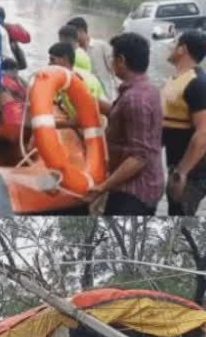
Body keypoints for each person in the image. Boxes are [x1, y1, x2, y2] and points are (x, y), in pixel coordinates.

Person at [84, 33, 164, 215]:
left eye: (113, 58)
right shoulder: (145, 89)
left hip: (135, 190)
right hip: (139, 183)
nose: (112, 62)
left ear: (121, 60)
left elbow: (138, 158)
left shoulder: (136, 99)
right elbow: (117, 113)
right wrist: (86, 99)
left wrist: (102, 187)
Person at [162, 30, 206, 215]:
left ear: (183, 49)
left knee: (180, 217)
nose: (169, 46)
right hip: (176, 167)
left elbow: (203, 133)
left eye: (174, 43)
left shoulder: (197, 83)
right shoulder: (175, 80)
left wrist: (182, 173)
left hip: (192, 173)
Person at [47, 42, 106, 120]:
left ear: (65, 59)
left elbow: (87, 119)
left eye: (52, 60)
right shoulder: (63, 78)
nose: (49, 64)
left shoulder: (82, 82)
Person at [68, 16, 117, 101]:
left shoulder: (101, 46)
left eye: (72, 34)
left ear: (81, 31)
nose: (71, 38)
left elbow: (115, 72)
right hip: (81, 97)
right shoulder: (73, 51)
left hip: (103, 97)